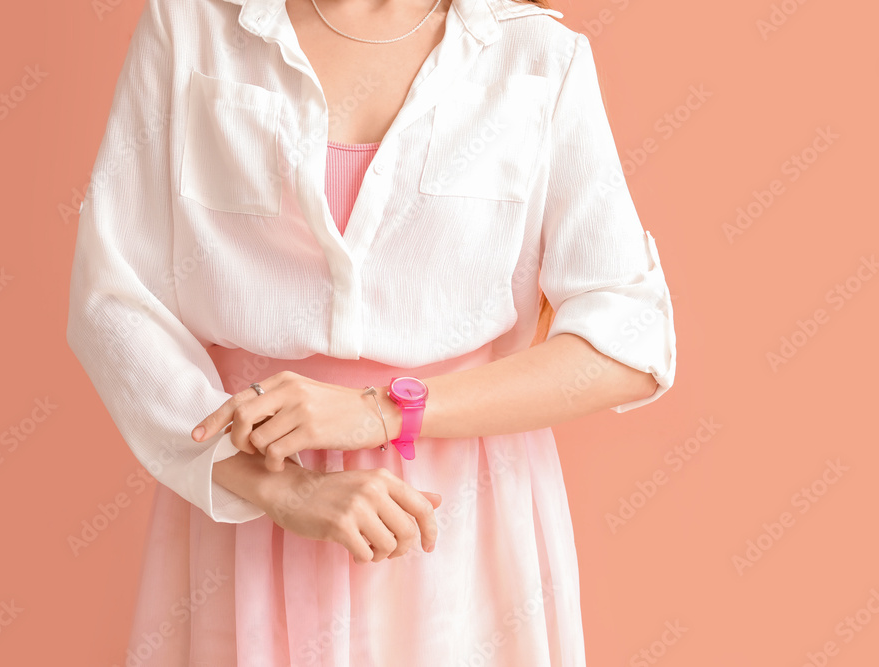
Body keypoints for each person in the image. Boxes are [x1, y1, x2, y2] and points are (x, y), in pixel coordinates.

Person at [64, 0, 677, 663]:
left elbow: (633, 338)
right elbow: (113, 297)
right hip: (246, 493)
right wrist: (278, 486)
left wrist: (382, 412)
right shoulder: (191, 27)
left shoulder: (535, 57)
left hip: (456, 519)